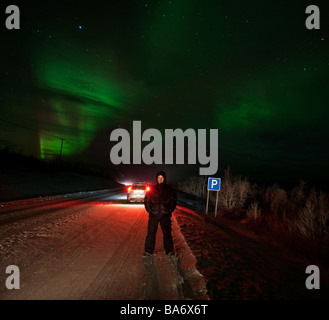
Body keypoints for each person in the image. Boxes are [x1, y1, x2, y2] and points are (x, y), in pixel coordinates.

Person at [143, 171, 177, 257]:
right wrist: (150, 210)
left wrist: (169, 210)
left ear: (164, 179)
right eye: (159, 177)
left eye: (162, 178)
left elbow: (173, 200)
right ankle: (148, 251)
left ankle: (169, 251)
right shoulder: (152, 188)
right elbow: (147, 200)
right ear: (156, 178)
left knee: (167, 234)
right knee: (151, 233)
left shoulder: (169, 189)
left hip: (165, 216)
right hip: (153, 215)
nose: (160, 179)